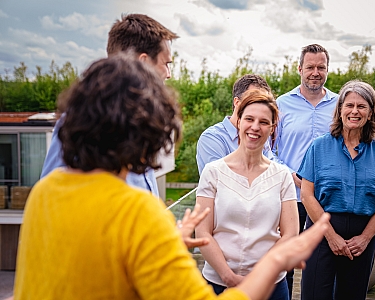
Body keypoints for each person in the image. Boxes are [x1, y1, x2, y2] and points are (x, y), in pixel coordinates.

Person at [13, 54, 330, 300]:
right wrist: (277, 262)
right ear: (148, 127)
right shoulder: (138, 212)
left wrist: (166, 244)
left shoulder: (44, 192)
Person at [40, 13, 178, 196]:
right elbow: (52, 197)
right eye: (166, 63)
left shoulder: (144, 122)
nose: (168, 74)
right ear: (143, 63)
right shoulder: (82, 124)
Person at [195, 89, 300, 300]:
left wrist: (260, 275)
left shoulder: (281, 176)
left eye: (263, 122)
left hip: (271, 286)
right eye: (249, 119)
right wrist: (228, 277)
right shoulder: (213, 171)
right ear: (239, 121)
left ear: (272, 129)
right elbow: (203, 233)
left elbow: (290, 234)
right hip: (218, 284)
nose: (255, 127)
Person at [298, 80, 375, 300]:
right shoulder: (319, 147)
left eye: (361, 106)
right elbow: (306, 194)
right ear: (340, 110)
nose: (354, 111)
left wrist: (365, 238)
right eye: (349, 105)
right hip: (321, 232)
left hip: (361, 238)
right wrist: (331, 237)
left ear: (371, 113)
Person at [272, 44, 339, 297]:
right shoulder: (281, 104)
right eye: (310, 67)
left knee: (322, 263)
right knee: (286, 260)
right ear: (299, 68)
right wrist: (290, 175)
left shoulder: (338, 105)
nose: (315, 72)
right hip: (289, 196)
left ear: (327, 70)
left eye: (321, 67)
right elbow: (269, 150)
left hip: (326, 199)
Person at [196, 74, 275, 175]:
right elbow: (221, 182)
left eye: (263, 102)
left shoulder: (259, 135)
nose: (259, 107)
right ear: (237, 102)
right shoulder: (212, 138)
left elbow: (272, 175)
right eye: (252, 101)